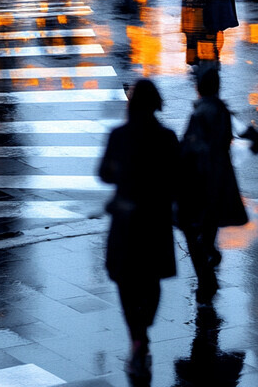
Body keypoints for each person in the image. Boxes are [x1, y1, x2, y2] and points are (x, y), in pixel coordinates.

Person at [98, 80, 179, 381]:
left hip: (126, 220)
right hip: (155, 220)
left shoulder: (118, 136)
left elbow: (104, 173)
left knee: (126, 280)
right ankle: (143, 328)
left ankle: (137, 336)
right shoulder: (167, 137)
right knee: (152, 277)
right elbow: (178, 176)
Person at [178, 70, 248, 305]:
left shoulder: (200, 113)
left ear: (199, 87)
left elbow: (190, 148)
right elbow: (254, 139)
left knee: (191, 227)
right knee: (208, 226)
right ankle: (209, 260)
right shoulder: (222, 110)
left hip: (201, 179)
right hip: (220, 177)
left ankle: (206, 277)